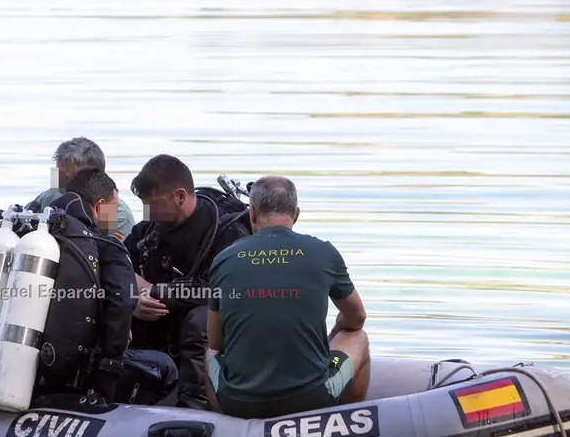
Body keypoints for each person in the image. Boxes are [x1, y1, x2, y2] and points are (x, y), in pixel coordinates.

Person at [204, 176, 370, 419]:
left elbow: (217, 343)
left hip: (239, 403)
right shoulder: (323, 252)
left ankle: (228, 426)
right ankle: (344, 424)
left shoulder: (224, 259)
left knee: (210, 355)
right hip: (312, 399)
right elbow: (358, 317)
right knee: (359, 338)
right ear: (297, 214)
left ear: (252, 213)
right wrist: (335, 332)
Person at [0, 137, 134, 297]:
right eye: (58, 177)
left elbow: (111, 270)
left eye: (65, 179)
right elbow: (8, 225)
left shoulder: (115, 212)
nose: (59, 187)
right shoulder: (53, 196)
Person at [38, 168, 177, 403]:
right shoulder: (105, 245)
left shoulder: (36, 232)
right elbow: (121, 304)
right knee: (166, 367)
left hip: (29, 363)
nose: (116, 215)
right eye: (115, 206)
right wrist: (105, 377)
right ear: (100, 206)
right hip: (74, 372)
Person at [123, 155, 250, 403]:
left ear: (180, 196)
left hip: (204, 338)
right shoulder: (148, 230)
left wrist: (157, 291)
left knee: (199, 319)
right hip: (156, 341)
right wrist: (133, 296)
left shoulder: (226, 231)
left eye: (154, 204)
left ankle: (195, 406)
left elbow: (217, 291)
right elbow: (115, 263)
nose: (147, 213)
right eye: (144, 205)